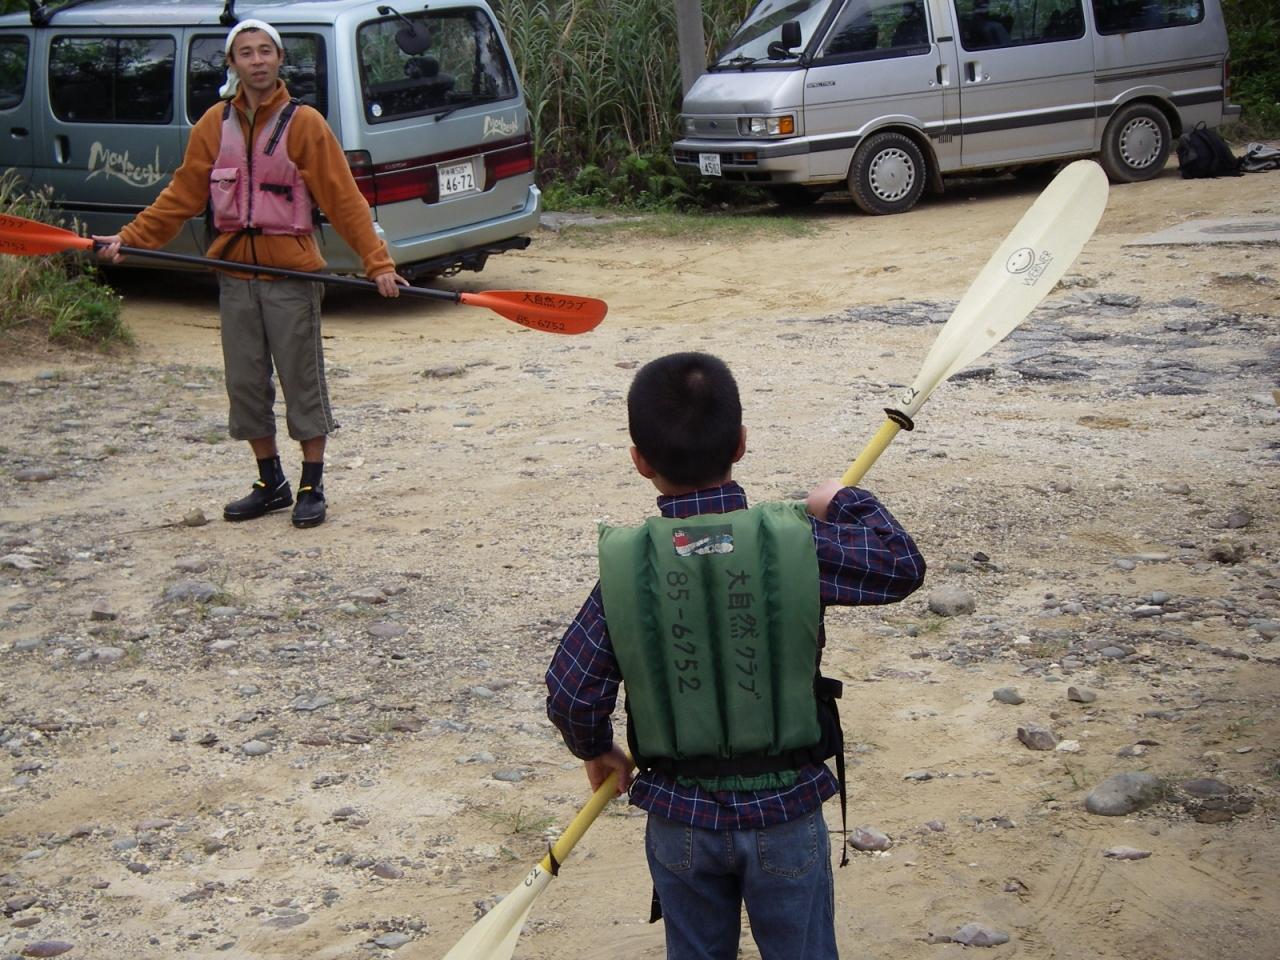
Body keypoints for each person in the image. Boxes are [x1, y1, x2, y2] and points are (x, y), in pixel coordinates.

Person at [545, 352, 926, 959]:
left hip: (681, 821)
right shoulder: (797, 546)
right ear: (741, 443)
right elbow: (900, 566)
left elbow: (572, 690)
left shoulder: (630, 570)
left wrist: (595, 748)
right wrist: (843, 500)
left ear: (639, 461)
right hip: (786, 814)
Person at [94, 19, 407, 529]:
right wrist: (130, 239)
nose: (257, 60)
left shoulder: (305, 123)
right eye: (246, 52)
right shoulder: (213, 124)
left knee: (301, 381)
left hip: (292, 276)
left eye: (265, 51)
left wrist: (378, 263)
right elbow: (180, 196)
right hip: (234, 274)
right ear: (232, 63)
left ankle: (311, 485)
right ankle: (270, 481)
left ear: (280, 59)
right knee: (244, 383)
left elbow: (344, 200)